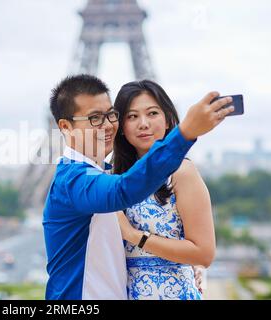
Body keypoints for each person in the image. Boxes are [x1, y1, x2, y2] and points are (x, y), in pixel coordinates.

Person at [43, 74, 234, 300]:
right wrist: (185, 134)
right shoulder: (76, 182)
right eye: (95, 118)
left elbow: (200, 251)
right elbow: (123, 190)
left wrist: (187, 265)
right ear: (65, 126)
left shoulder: (106, 172)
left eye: (110, 116)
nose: (106, 125)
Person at [113, 80, 215, 300]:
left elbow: (204, 254)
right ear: (121, 127)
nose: (143, 124)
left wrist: (134, 236)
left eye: (152, 113)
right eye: (132, 117)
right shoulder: (112, 178)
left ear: (168, 119)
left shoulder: (181, 172)